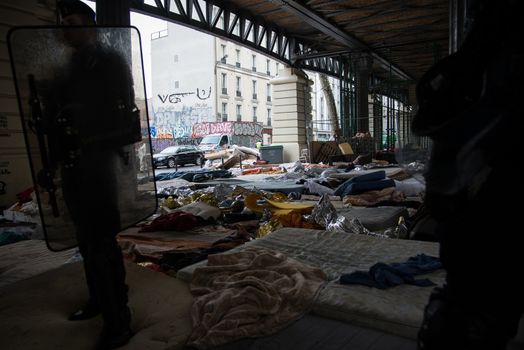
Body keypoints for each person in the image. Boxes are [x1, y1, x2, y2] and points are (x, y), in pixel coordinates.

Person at [413, 1, 523, 349]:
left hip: (478, 215)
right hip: (482, 213)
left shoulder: (485, 59)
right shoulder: (495, 60)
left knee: (475, 295)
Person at [43, 1, 138, 348]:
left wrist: (87, 134)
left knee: (102, 245)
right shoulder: (68, 67)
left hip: (99, 166)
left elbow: (127, 123)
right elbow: (55, 123)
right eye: (63, 22)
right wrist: (49, 164)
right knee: (87, 243)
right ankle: (99, 301)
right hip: (74, 168)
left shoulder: (109, 62)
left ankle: (119, 320)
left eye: (71, 21)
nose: (65, 28)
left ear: (89, 25)